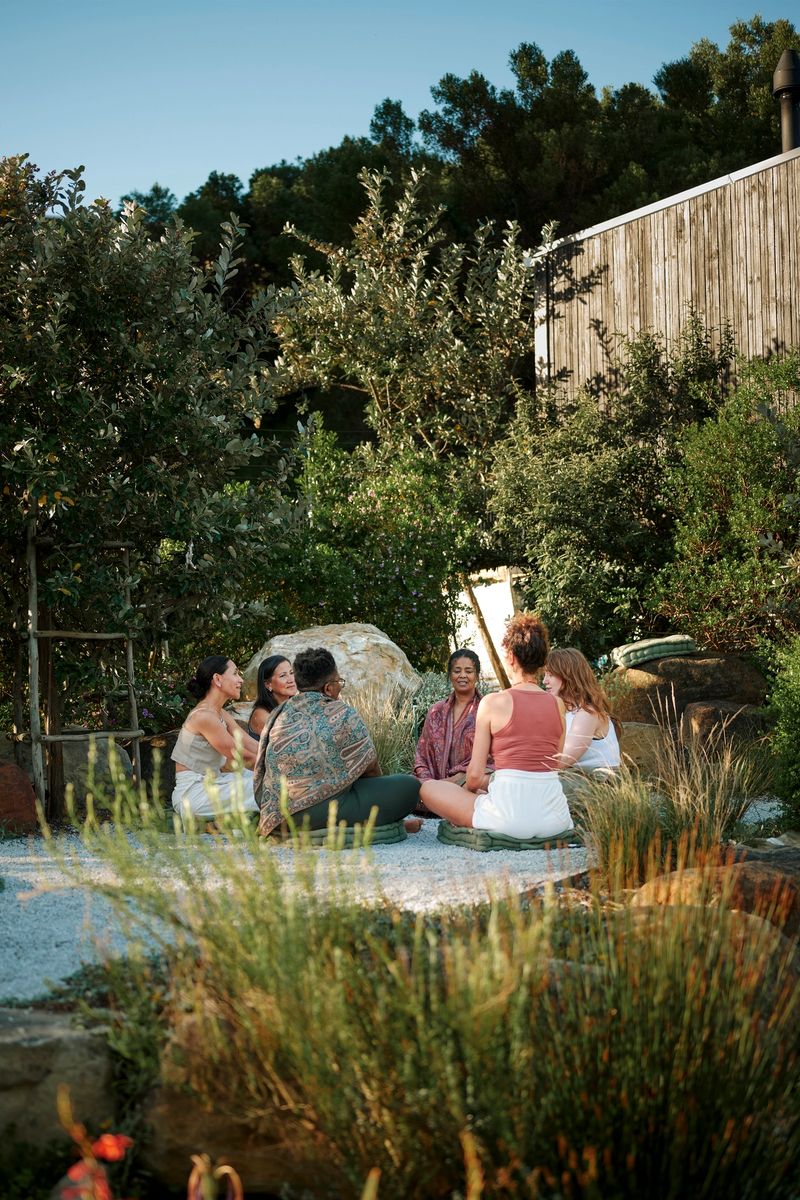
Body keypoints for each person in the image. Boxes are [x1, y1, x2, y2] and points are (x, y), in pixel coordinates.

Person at [420, 614, 573, 838]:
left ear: (511, 656)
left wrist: (493, 781)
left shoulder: (493, 702)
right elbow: (554, 764)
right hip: (555, 819)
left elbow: (473, 778)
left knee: (429, 788)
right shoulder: (558, 704)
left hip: (507, 819)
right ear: (543, 659)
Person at [253, 647, 421, 837]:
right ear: (328, 688)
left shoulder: (279, 713)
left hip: (279, 817)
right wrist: (379, 795)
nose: (340, 686)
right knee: (410, 786)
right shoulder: (343, 713)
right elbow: (371, 770)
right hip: (319, 815)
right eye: (338, 681)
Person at [171, 655, 260, 821]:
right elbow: (242, 756)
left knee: (256, 777)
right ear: (217, 679)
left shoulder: (219, 712)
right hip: (194, 795)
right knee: (267, 784)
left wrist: (279, 754)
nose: (240, 680)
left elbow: (248, 743)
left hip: (213, 783)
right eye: (235, 673)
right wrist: (279, 768)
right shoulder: (204, 716)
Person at [542, 648, 621, 794]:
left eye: (550, 675)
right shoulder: (567, 712)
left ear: (568, 676)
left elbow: (562, 760)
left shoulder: (587, 713)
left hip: (602, 783)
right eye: (545, 675)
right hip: (580, 778)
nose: (544, 681)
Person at [414, 649, 493, 787]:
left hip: (470, 787)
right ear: (450, 675)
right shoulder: (436, 711)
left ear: (477, 676)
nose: (463, 675)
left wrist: (457, 779)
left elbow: (492, 759)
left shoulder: (487, 711)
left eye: (468, 671)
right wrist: (429, 784)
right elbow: (421, 757)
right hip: (433, 788)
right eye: (457, 671)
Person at [246, 655, 297, 740]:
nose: (291, 679)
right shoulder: (262, 714)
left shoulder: (295, 704)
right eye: (283, 676)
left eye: (291, 673)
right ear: (268, 684)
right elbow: (290, 742)